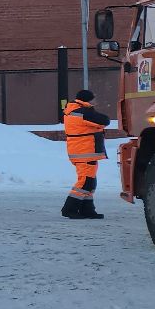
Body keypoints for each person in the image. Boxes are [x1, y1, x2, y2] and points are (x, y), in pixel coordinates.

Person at [61, 88, 109, 220]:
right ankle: (69, 209)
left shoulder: (72, 110)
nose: (95, 101)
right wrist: (98, 125)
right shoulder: (83, 112)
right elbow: (104, 120)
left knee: (90, 182)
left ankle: (87, 210)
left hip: (83, 151)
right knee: (85, 182)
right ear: (88, 99)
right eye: (94, 98)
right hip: (85, 152)